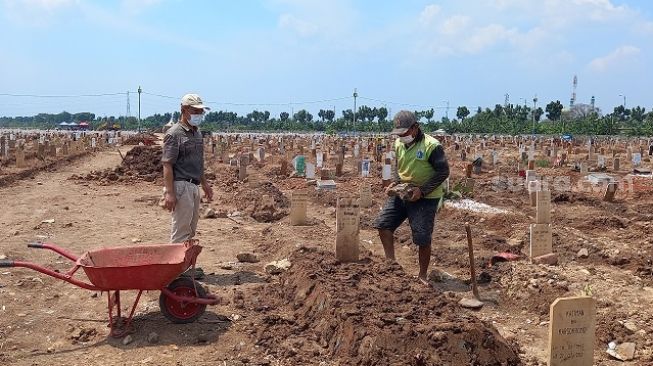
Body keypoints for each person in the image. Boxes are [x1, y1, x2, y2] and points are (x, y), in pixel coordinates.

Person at [373, 110, 450, 284]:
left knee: (422, 237)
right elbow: (399, 167)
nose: (401, 136)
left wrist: (422, 191)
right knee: (383, 225)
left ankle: (422, 275)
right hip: (403, 192)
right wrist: (395, 182)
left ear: (415, 128)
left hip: (426, 197)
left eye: (405, 132)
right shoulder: (399, 144)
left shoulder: (432, 145)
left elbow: (443, 171)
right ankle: (391, 264)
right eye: (399, 133)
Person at [161, 93, 214, 249]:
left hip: (194, 186)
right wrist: (170, 193)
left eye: (201, 112)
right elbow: (167, 164)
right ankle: (175, 269)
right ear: (184, 110)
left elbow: (198, 162)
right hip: (181, 186)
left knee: (190, 229)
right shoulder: (174, 134)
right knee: (181, 231)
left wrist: (205, 184)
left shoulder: (196, 133)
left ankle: (183, 266)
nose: (199, 115)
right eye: (195, 111)